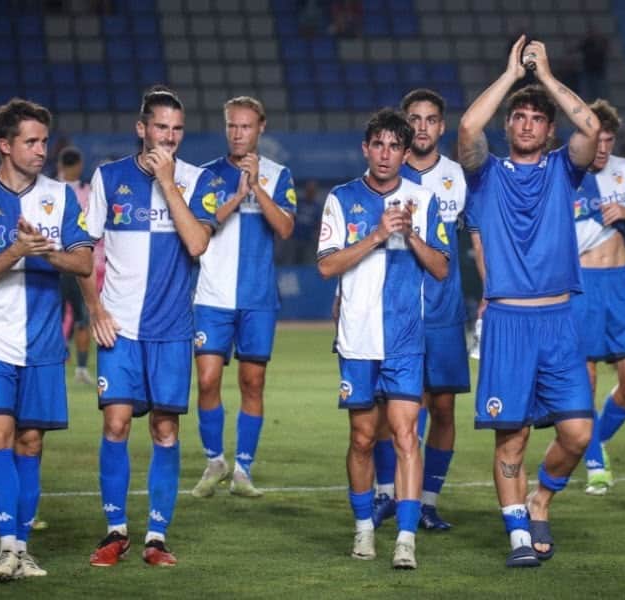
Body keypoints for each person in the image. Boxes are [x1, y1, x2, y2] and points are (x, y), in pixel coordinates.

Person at [459, 35, 600, 567]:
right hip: (509, 322)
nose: (525, 123)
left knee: (578, 432)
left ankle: (541, 498)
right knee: (511, 437)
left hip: (560, 321)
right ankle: (518, 534)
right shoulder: (485, 175)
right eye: (518, 115)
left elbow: (591, 128)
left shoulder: (565, 169)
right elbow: (469, 129)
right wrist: (511, 75)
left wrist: (545, 78)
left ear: (548, 130)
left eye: (535, 118)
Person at [0, 98, 93, 581]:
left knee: (31, 443)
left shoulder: (60, 195)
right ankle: (6, 547)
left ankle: (23, 548)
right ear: (4, 145)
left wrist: (45, 251)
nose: (40, 149)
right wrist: (16, 248)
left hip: (44, 344)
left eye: (43, 140)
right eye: (30, 141)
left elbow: (85, 262)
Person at [82, 87, 220, 569]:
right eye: (161, 127)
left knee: (165, 430)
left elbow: (198, 243)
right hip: (119, 326)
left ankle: (156, 537)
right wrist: (95, 309)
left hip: (170, 330)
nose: (170, 136)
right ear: (142, 129)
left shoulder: (196, 180)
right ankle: (115, 531)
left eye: (177, 128)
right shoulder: (109, 177)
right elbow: (83, 252)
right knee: (116, 423)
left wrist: (167, 182)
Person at [317, 107, 450, 570]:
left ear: (405, 150)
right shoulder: (342, 198)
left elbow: (441, 268)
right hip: (356, 340)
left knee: (406, 435)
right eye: (378, 144)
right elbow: (326, 266)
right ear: (366, 148)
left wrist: (411, 235)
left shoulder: (423, 199)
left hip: (405, 341)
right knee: (360, 439)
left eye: (395, 145)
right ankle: (364, 529)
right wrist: (376, 235)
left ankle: (406, 539)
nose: (386, 154)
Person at [369, 89, 468, 530]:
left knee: (443, 407)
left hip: (445, 310)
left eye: (431, 119)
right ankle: (389, 493)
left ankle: (427, 501)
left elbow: (480, 235)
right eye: (416, 118)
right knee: (393, 409)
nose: (424, 126)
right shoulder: (385, 172)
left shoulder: (459, 177)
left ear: (442, 127)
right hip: (396, 309)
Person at [191, 96, 296, 499]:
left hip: (257, 298)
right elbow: (200, 228)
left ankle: (242, 470)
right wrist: (235, 196)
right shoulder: (207, 176)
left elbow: (285, 229)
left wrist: (256, 190)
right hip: (212, 296)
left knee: (253, 383)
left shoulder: (277, 174)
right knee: (207, 379)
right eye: (232, 126)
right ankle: (215, 460)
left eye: (246, 127)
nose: (238, 133)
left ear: (260, 128)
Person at [569, 99, 625, 496]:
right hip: (583, 285)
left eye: (608, 140)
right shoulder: (567, 173)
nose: (602, 148)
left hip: (620, 285)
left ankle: (595, 437)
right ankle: (594, 459)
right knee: (585, 378)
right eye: (596, 140)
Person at [55, 146, 93, 385]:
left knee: (77, 317)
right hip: (67, 263)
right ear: (77, 165)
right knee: (79, 317)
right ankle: (78, 367)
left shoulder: (50, 190)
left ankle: (73, 367)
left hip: (62, 263)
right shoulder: (56, 191)